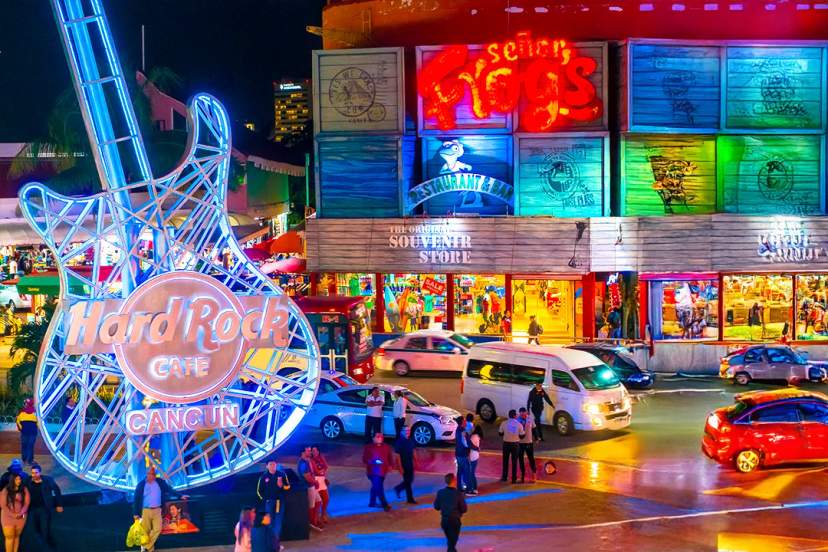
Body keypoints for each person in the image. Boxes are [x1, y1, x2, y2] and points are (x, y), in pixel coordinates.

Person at [133, 466, 179, 552]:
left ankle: (146, 546)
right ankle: (150, 549)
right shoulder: (141, 485)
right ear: (147, 474)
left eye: (154, 474)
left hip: (157, 510)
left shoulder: (160, 482)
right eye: (151, 474)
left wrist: (180, 495)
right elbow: (136, 499)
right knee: (145, 531)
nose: (153, 476)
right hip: (145, 510)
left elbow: (170, 490)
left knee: (158, 529)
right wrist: (135, 513)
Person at [26, 463, 63, 550]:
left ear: (40, 472)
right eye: (32, 473)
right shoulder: (28, 481)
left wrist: (59, 504)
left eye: (36, 473)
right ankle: (40, 541)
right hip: (33, 508)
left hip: (45, 507)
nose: (34, 475)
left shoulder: (48, 480)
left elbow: (57, 491)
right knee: (36, 526)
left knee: (46, 525)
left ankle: (49, 541)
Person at [255, 459, 289, 545]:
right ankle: (269, 542)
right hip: (269, 502)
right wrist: (265, 499)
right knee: (269, 521)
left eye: (274, 464)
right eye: (270, 464)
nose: (272, 466)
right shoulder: (263, 477)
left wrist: (282, 485)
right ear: (267, 466)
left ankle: (276, 542)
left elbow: (288, 487)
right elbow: (259, 491)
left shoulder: (281, 474)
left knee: (278, 521)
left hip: (279, 502)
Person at [433, 473, 467, 552]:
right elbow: (464, 509)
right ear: (454, 481)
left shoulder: (440, 492)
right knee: (452, 544)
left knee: (451, 543)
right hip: (455, 521)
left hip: (444, 521)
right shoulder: (458, 494)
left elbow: (436, 507)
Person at [362, 432, 395, 512]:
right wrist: (373, 462)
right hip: (373, 472)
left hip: (383, 472)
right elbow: (364, 459)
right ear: (373, 438)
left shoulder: (386, 447)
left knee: (375, 487)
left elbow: (389, 457)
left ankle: (372, 502)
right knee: (379, 488)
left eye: (381, 437)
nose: (379, 438)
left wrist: (391, 466)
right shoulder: (368, 447)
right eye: (377, 437)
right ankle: (385, 505)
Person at [0, 472, 29, 552]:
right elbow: (3, 505)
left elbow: (26, 503)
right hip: (7, 517)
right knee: (9, 537)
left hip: (21, 517)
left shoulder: (24, 489)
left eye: (20, 479)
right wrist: (13, 515)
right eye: (16, 479)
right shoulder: (5, 490)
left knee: (17, 536)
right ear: (12, 480)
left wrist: (21, 513)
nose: (19, 481)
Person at [297, 446, 323, 531]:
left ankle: (314, 520)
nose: (310, 452)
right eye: (308, 451)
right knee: (311, 505)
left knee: (318, 501)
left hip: (311, 485)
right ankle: (312, 522)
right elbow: (307, 477)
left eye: (310, 451)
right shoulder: (303, 463)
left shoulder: (306, 461)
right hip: (308, 486)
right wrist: (315, 482)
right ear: (303, 453)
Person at [498, 409, 524, 483]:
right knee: (514, 461)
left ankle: (504, 477)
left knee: (505, 461)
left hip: (506, 444)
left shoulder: (504, 423)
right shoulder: (519, 424)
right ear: (515, 416)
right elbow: (522, 435)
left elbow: (500, 433)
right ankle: (514, 479)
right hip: (515, 444)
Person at [393, 426, 417, 504]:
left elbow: (413, 450)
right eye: (406, 430)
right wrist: (400, 467)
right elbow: (397, 456)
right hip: (404, 464)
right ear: (401, 432)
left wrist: (416, 461)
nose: (408, 432)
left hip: (410, 463)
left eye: (409, 430)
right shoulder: (399, 442)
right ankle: (410, 499)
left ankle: (398, 488)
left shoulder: (411, 439)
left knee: (410, 480)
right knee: (408, 482)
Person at [310, 446, 331, 524]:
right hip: (316, 480)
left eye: (315, 450)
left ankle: (323, 514)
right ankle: (316, 517)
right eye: (313, 451)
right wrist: (321, 472)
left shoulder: (321, 457)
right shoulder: (310, 460)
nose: (314, 452)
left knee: (326, 499)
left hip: (322, 479)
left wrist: (322, 472)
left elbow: (326, 466)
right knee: (317, 500)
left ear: (318, 451)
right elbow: (316, 470)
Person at [517, 408, 537, 483]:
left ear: (526, 413)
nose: (523, 415)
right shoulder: (517, 420)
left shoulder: (530, 419)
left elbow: (534, 428)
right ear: (519, 414)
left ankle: (534, 475)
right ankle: (522, 477)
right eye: (521, 414)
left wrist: (536, 437)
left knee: (531, 459)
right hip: (520, 443)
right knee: (521, 460)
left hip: (529, 442)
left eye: (524, 414)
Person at [16, 398, 37, 465]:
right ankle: (27, 460)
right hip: (29, 433)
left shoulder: (34, 413)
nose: (24, 404)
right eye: (25, 403)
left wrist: (22, 428)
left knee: (28, 446)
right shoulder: (34, 413)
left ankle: (27, 460)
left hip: (30, 433)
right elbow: (18, 421)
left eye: (26, 403)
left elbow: (18, 421)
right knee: (26, 445)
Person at [453, 415, 470, 492]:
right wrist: (470, 447)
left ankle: (459, 486)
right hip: (463, 453)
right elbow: (465, 443)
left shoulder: (458, 429)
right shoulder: (463, 430)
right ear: (462, 422)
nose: (466, 421)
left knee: (460, 470)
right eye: (464, 420)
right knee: (466, 470)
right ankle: (468, 486)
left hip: (458, 452)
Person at [468, 424, 483, 496]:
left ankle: (474, 489)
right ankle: (473, 488)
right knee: (472, 473)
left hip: (473, 456)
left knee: (471, 473)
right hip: (475, 456)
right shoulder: (477, 436)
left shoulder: (474, 436)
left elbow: (470, 445)